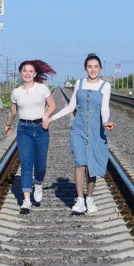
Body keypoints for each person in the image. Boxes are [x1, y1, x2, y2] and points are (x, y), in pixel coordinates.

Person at [43, 53, 115, 213]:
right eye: (90, 66)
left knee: (92, 165)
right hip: (79, 129)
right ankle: (80, 200)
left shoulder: (105, 86)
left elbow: (105, 107)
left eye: (96, 67)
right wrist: (51, 118)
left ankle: (89, 197)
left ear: (100, 68)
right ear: (85, 68)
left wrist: (105, 122)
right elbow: (71, 107)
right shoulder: (79, 83)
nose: (93, 70)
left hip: (96, 130)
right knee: (80, 162)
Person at [5, 60, 56, 211]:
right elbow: (13, 111)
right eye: (24, 71)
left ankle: (38, 183)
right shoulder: (16, 92)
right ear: (20, 73)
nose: (27, 73)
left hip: (41, 128)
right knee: (26, 163)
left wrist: (46, 116)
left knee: (40, 164)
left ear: (35, 74)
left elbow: (52, 105)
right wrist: (8, 124)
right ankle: (26, 199)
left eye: (30, 71)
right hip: (24, 128)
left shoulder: (42, 88)